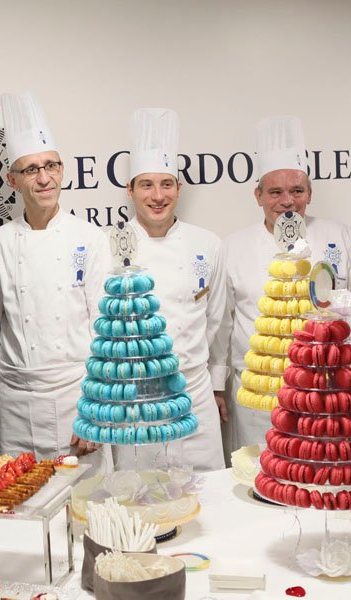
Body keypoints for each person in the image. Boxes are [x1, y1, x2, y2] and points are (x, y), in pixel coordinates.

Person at [213, 116, 351, 454]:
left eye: (297, 191)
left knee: (325, 476)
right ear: (258, 196)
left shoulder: (341, 237)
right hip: (259, 395)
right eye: (276, 192)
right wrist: (217, 385)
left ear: (310, 194)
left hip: (330, 393)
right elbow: (222, 324)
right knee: (260, 481)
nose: (287, 201)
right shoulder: (233, 246)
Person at [0, 92, 111, 470]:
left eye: (50, 166)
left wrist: (98, 409)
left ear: (62, 170)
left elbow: (106, 332)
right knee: (23, 507)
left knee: (89, 506)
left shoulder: (90, 238)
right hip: (16, 402)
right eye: (31, 169)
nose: (43, 178)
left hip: (78, 399)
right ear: (13, 179)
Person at [114, 108, 226, 472]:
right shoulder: (110, 246)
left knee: (209, 500)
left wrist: (216, 383)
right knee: (141, 505)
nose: (157, 196)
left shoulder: (207, 244)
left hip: (194, 394)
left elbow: (216, 321)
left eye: (167, 184)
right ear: (130, 190)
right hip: (136, 401)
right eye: (146, 185)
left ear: (179, 189)